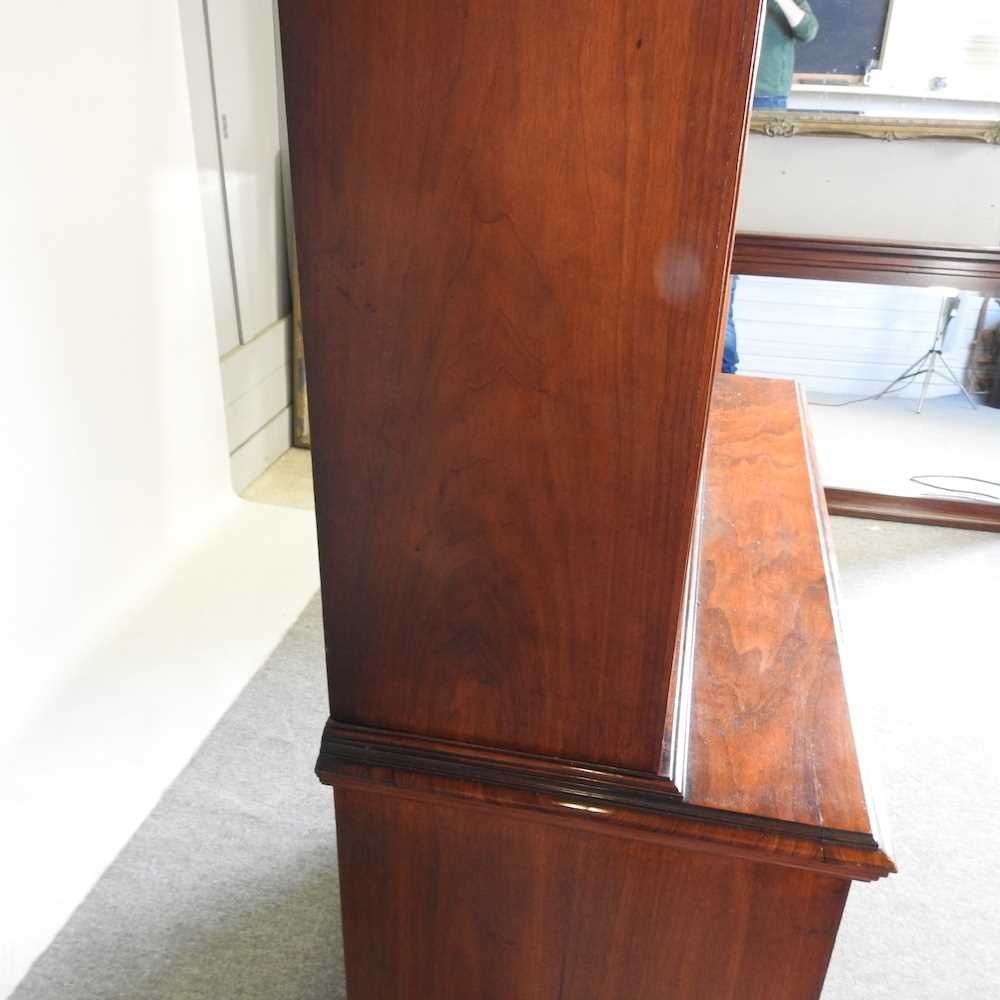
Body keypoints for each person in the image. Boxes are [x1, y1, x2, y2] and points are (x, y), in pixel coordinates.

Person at [723, 0, 818, 374]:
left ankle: (726, 365)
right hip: (725, 87)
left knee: (742, 226)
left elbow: (808, 29)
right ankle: (724, 364)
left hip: (767, 102)